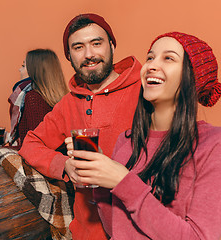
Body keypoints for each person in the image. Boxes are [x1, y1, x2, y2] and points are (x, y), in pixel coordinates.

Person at [66, 32, 221, 239]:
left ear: (192, 77)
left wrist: (123, 180)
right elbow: (117, 230)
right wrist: (100, 176)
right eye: (150, 57)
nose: (151, 66)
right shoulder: (127, 141)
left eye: (168, 58)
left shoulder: (216, 143)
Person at [20, 13, 142, 239]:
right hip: (86, 231)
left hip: (139, 229)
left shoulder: (144, 91)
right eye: (78, 47)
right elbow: (30, 143)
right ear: (69, 56)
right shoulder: (69, 103)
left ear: (111, 45)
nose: (89, 54)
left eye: (97, 43)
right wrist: (65, 165)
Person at [8, 49, 69, 149]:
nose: (20, 70)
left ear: (34, 71)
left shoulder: (33, 97)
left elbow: (35, 145)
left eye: (23, 66)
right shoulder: (65, 99)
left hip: (38, 160)